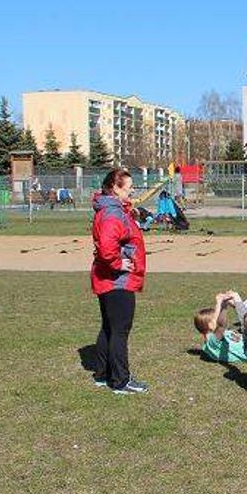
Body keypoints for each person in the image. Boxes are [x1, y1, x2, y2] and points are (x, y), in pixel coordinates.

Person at [90, 168, 148, 394]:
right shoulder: (112, 214)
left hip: (109, 280)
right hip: (117, 282)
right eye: (129, 187)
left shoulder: (114, 210)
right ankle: (120, 380)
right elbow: (107, 247)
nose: (132, 191)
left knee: (109, 327)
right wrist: (117, 263)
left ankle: (102, 373)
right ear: (115, 188)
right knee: (120, 330)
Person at [195, 291, 247, 365]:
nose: (219, 317)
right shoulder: (211, 340)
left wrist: (231, 303)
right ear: (209, 325)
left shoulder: (224, 333)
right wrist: (222, 305)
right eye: (217, 317)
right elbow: (221, 325)